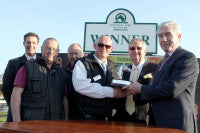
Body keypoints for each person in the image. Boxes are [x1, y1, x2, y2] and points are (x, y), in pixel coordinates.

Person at [123, 21, 199, 133]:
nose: (163, 39)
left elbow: (172, 89)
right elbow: (156, 90)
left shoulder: (187, 58)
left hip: (177, 124)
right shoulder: (161, 64)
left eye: (168, 34)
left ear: (179, 36)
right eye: (160, 36)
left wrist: (141, 88)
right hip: (158, 122)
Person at [11, 38, 67, 122]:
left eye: (54, 49)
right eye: (48, 48)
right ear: (41, 49)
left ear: (58, 51)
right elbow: (16, 95)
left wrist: (66, 122)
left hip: (56, 124)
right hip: (31, 125)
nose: (51, 52)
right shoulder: (27, 68)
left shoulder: (62, 73)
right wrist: (16, 122)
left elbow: (65, 100)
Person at [72, 35, 124, 120]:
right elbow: (80, 86)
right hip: (89, 117)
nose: (104, 48)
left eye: (107, 46)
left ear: (111, 49)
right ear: (94, 46)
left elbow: (117, 84)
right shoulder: (82, 63)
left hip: (110, 117)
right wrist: (111, 92)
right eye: (100, 45)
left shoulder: (113, 65)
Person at [115, 38, 157, 125]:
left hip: (144, 118)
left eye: (139, 48)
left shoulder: (155, 68)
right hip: (123, 117)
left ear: (145, 51)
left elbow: (157, 90)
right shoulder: (124, 70)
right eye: (132, 48)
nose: (135, 51)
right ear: (128, 51)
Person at [1, 32, 39, 122]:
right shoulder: (13, 63)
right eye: (28, 42)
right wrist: (14, 104)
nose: (31, 45)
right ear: (24, 44)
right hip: (18, 112)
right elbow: (6, 88)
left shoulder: (43, 64)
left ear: (37, 45)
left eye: (33, 43)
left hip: (37, 112)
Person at [64, 43, 84, 119]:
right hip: (69, 113)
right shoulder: (62, 72)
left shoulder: (90, 70)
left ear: (82, 54)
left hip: (87, 114)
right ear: (67, 55)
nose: (73, 56)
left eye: (76, 53)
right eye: (71, 54)